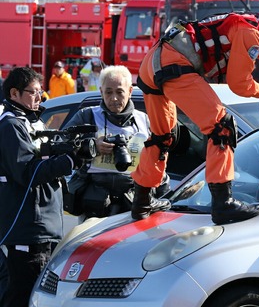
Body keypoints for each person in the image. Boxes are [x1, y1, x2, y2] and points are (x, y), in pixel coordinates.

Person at [132, 0, 259, 224]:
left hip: (154, 62)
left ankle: (142, 201)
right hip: (175, 62)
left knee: (162, 137)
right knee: (221, 126)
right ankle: (223, 203)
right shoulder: (253, 34)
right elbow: (241, 85)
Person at [0, 67, 81, 307]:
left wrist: (67, 149)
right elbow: (26, 171)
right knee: (22, 294)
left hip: (41, 226)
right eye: (33, 93)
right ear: (14, 93)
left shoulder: (30, 121)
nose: (40, 97)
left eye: (41, 92)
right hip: (27, 227)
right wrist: (67, 162)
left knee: (34, 294)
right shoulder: (11, 126)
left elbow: (42, 156)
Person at [64, 65, 154, 221]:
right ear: (101, 92)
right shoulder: (87, 116)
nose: (114, 98)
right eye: (108, 92)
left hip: (132, 201)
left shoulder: (144, 120)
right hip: (93, 203)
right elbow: (61, 143)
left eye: (120, 92)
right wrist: (91, 145)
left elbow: (160, 155)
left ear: (130, 91)